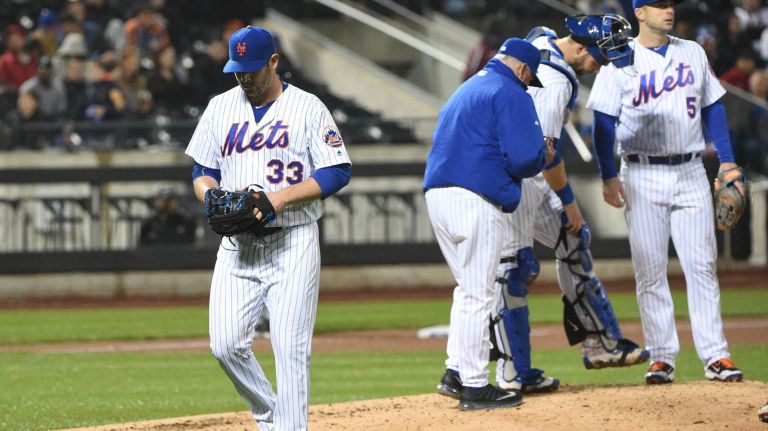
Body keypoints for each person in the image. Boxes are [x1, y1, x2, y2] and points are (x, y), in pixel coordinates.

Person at [438, 13, 650, 398]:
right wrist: (569, 200)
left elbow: (537, 37)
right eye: (600, 59)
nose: (599, 68)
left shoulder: (542, 40)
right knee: (511, 269)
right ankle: (511, 374)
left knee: (567, 244)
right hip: (518, 181)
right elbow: (547, 154)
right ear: (584, 48)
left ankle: (598, 344)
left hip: (507, 179)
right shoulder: (556, 81)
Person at [184, 26, 351, 430]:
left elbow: (337, 171)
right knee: (225, 345)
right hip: (237, 246)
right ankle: (269, 413)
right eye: (238, 70)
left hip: (293, 241)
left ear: (274, 62)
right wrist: (209, 196)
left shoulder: (308, 108)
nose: (245, 78)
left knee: (290, 349)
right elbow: (202, 170)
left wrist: (277, 199)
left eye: (253, 70)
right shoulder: (220, 108)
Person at [587, 0, 744, 384]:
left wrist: (727, 161)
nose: (668, 10)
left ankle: (716, 355)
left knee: (702, 266)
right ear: (639, 13)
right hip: (641, 174)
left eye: (670, 4)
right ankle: (661, 356)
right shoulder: (619, 60)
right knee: (650, 269)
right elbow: (602, 123)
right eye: (658, 5)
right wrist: (609, 175)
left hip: (690, 169)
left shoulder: (691, 51)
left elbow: (714, 107)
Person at [424, 37, 547, 410]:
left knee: (467, 288)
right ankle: (475, 387)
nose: (528, 83)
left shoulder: (469, 87)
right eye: (530, 77)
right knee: (480, 293)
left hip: (439, 196)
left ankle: (455, 372)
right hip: (474, 198)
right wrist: (545, 153)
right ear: (523, 69)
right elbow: (525, 158)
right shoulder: (510, 90)